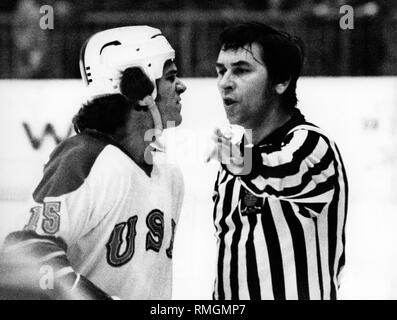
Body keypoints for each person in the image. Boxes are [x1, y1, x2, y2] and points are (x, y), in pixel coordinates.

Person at [0, 25, 186, 299]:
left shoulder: (171, 177)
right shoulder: (85, 156)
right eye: (170, 76)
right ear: (139, 86)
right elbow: (25, 252)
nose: (181, 85)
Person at [208, 22, 348, 300]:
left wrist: (246, 164)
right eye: (221, 71)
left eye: (241, 70)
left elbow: (286, 169)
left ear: (281, 80)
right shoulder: (236, 161)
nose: (225, 82)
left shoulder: (312, 144)